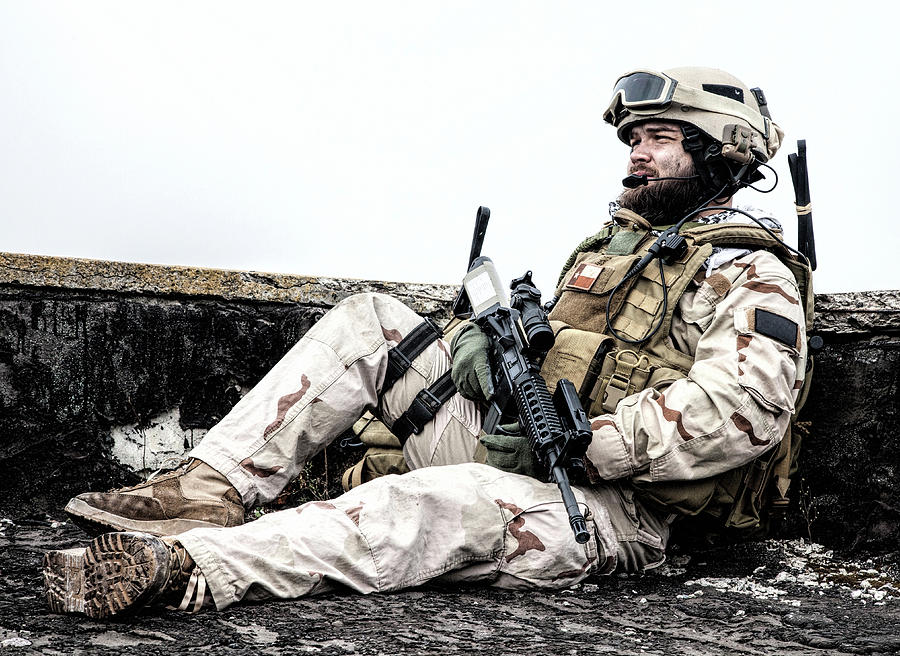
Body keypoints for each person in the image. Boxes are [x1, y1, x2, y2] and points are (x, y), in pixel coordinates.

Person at [43, 67, 811, 619]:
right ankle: (201, 497)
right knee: (370, 319)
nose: (636, 153)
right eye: (634, 139)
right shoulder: (613, 249)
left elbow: (742, 410)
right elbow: (564, 356)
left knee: (434, 503)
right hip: (522, 455)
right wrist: (474, 344)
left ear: (723, 151)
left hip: (610, 517)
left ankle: (188, 568)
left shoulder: (748, 269)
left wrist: (584, 445)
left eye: (660, 138)